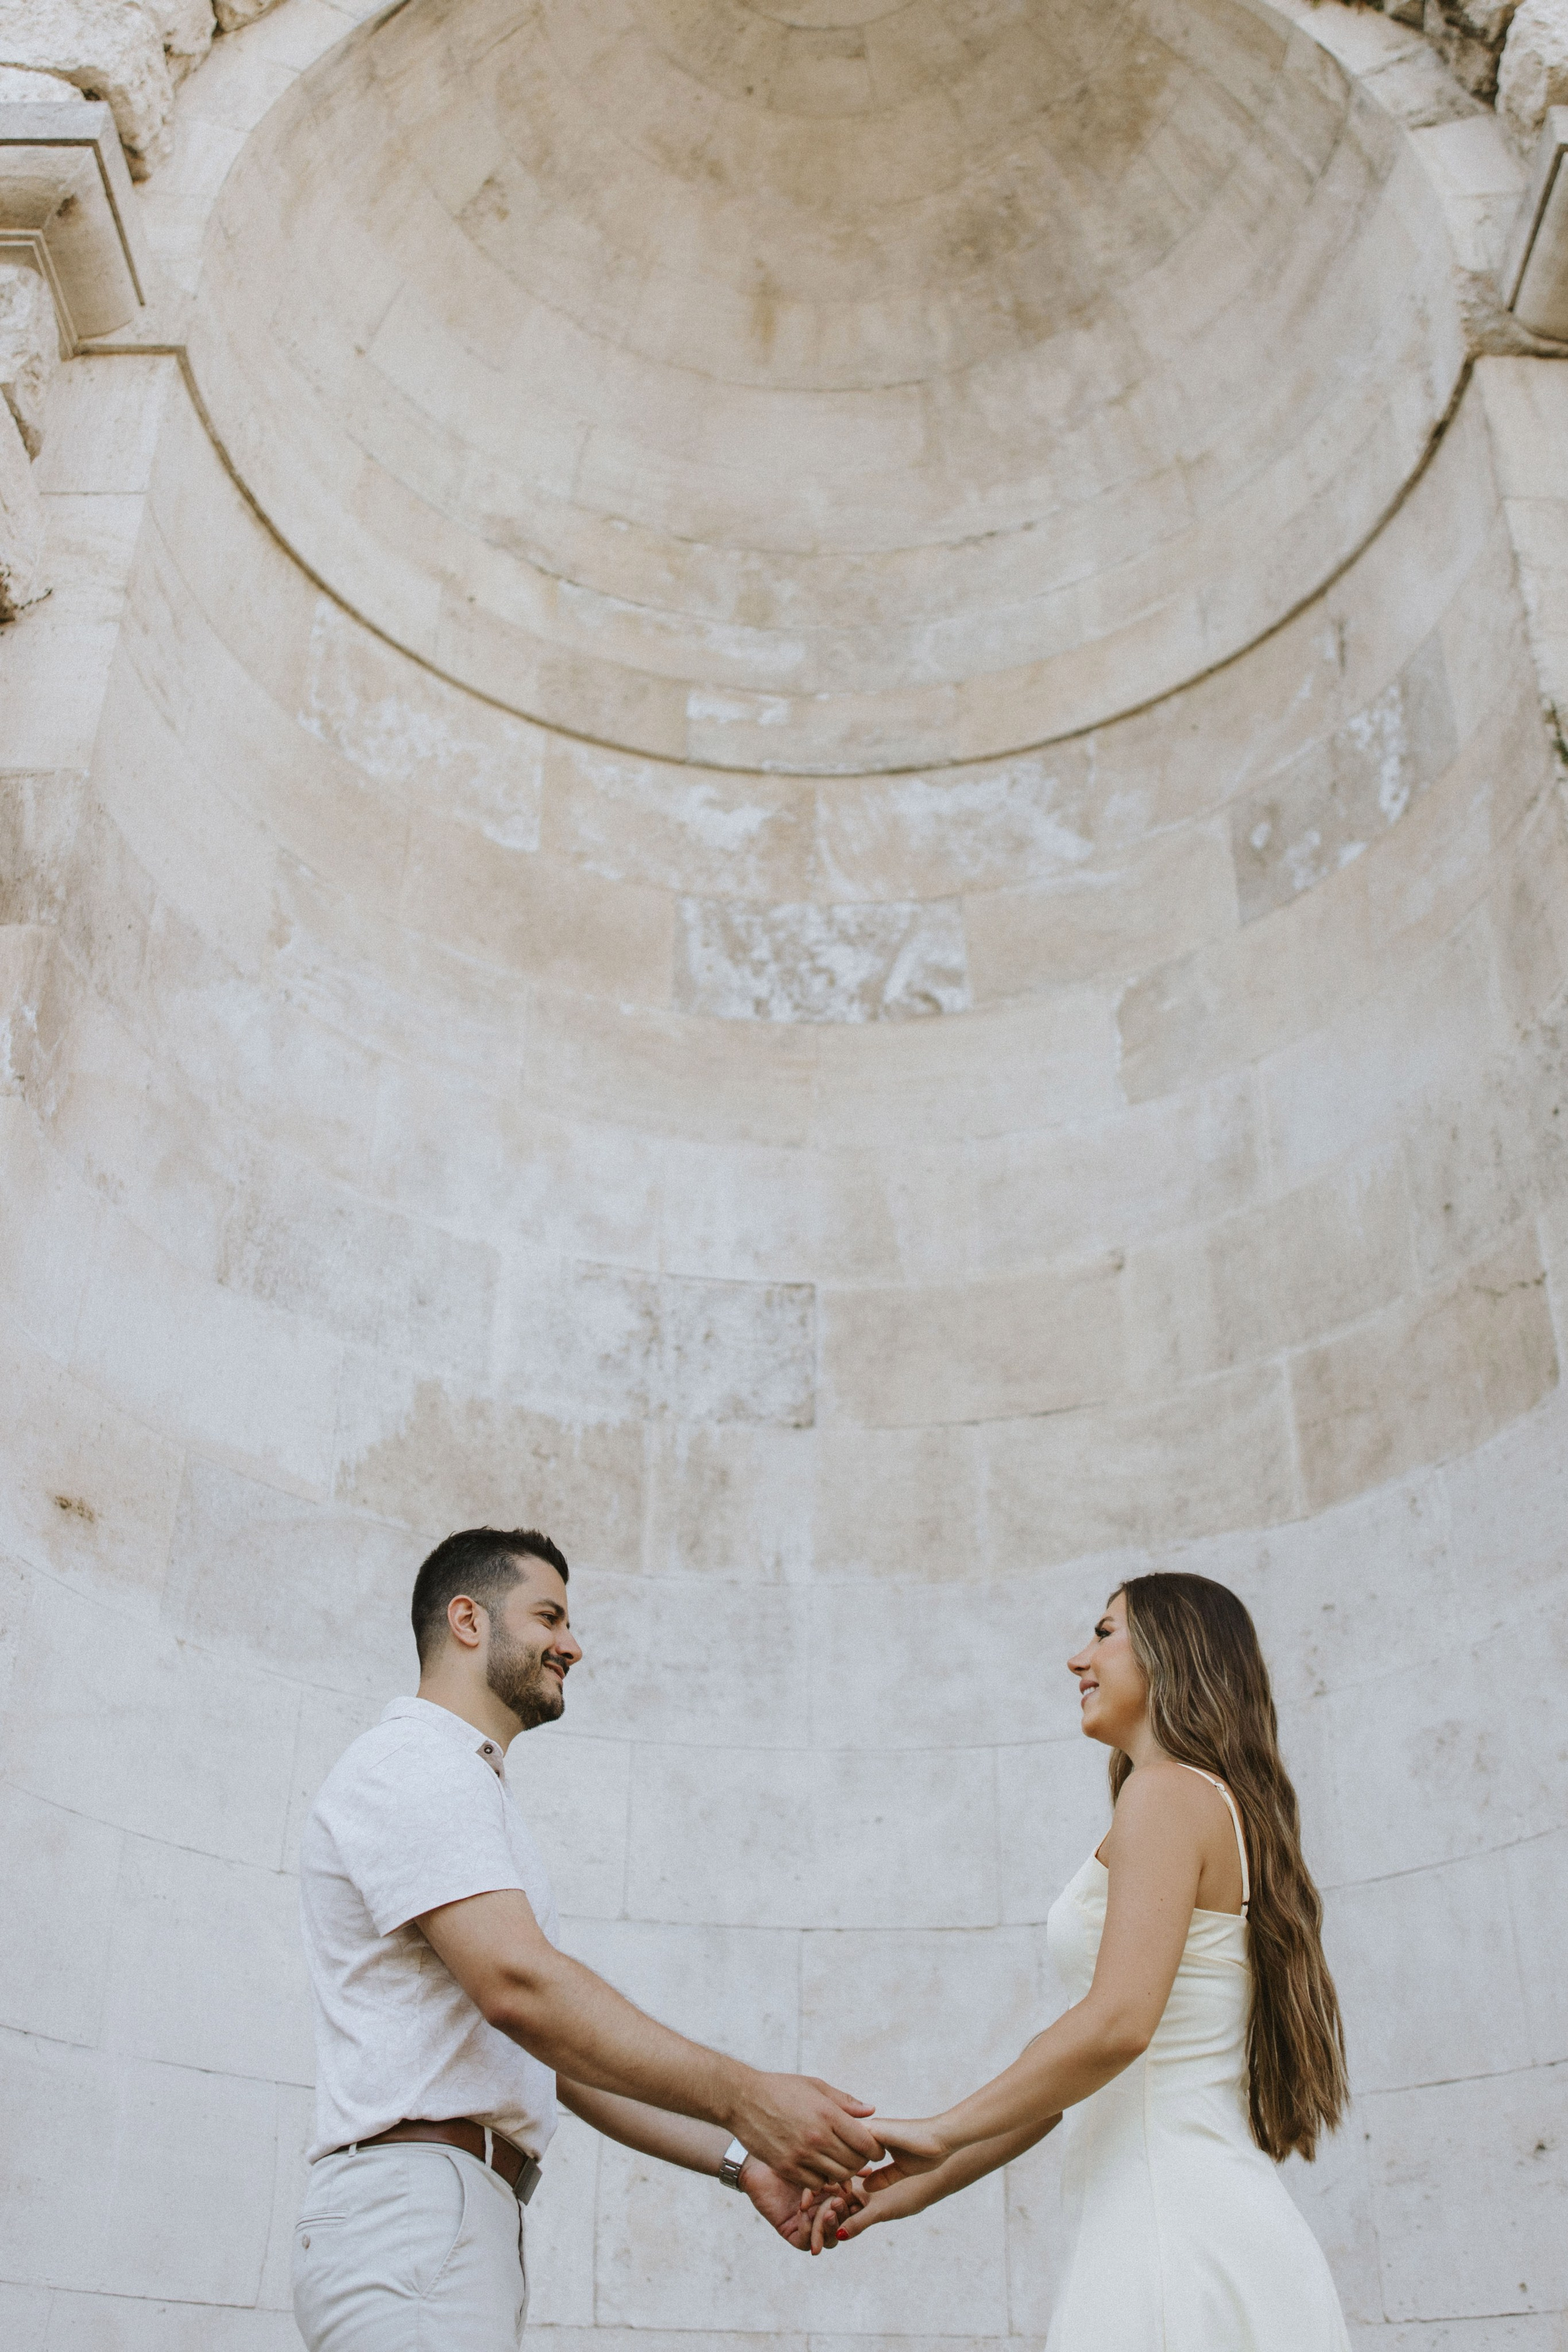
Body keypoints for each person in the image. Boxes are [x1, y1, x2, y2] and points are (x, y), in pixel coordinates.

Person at [293, 1524, 877, 2352]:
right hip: (416, 2211)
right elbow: (522, 1989)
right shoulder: (417, 1763)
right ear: (468, 1620)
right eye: (548, 1617)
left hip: (450, 2215)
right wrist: (747, 2093)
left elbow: (553, 2055)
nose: (572, 1645)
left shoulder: (462, 1781)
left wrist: (742, 2159)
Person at [807, 1572, 1352, 2352]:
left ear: (1173, 1649)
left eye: (1102, 1632)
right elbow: (1086, 2074)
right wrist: (917, 2184)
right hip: (1202, 2228)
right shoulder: (1206, 1801)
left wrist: (941, 2127)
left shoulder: (1166, 1794)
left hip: (1170, 2239)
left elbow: (1116, 2026)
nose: (1076, 1660)